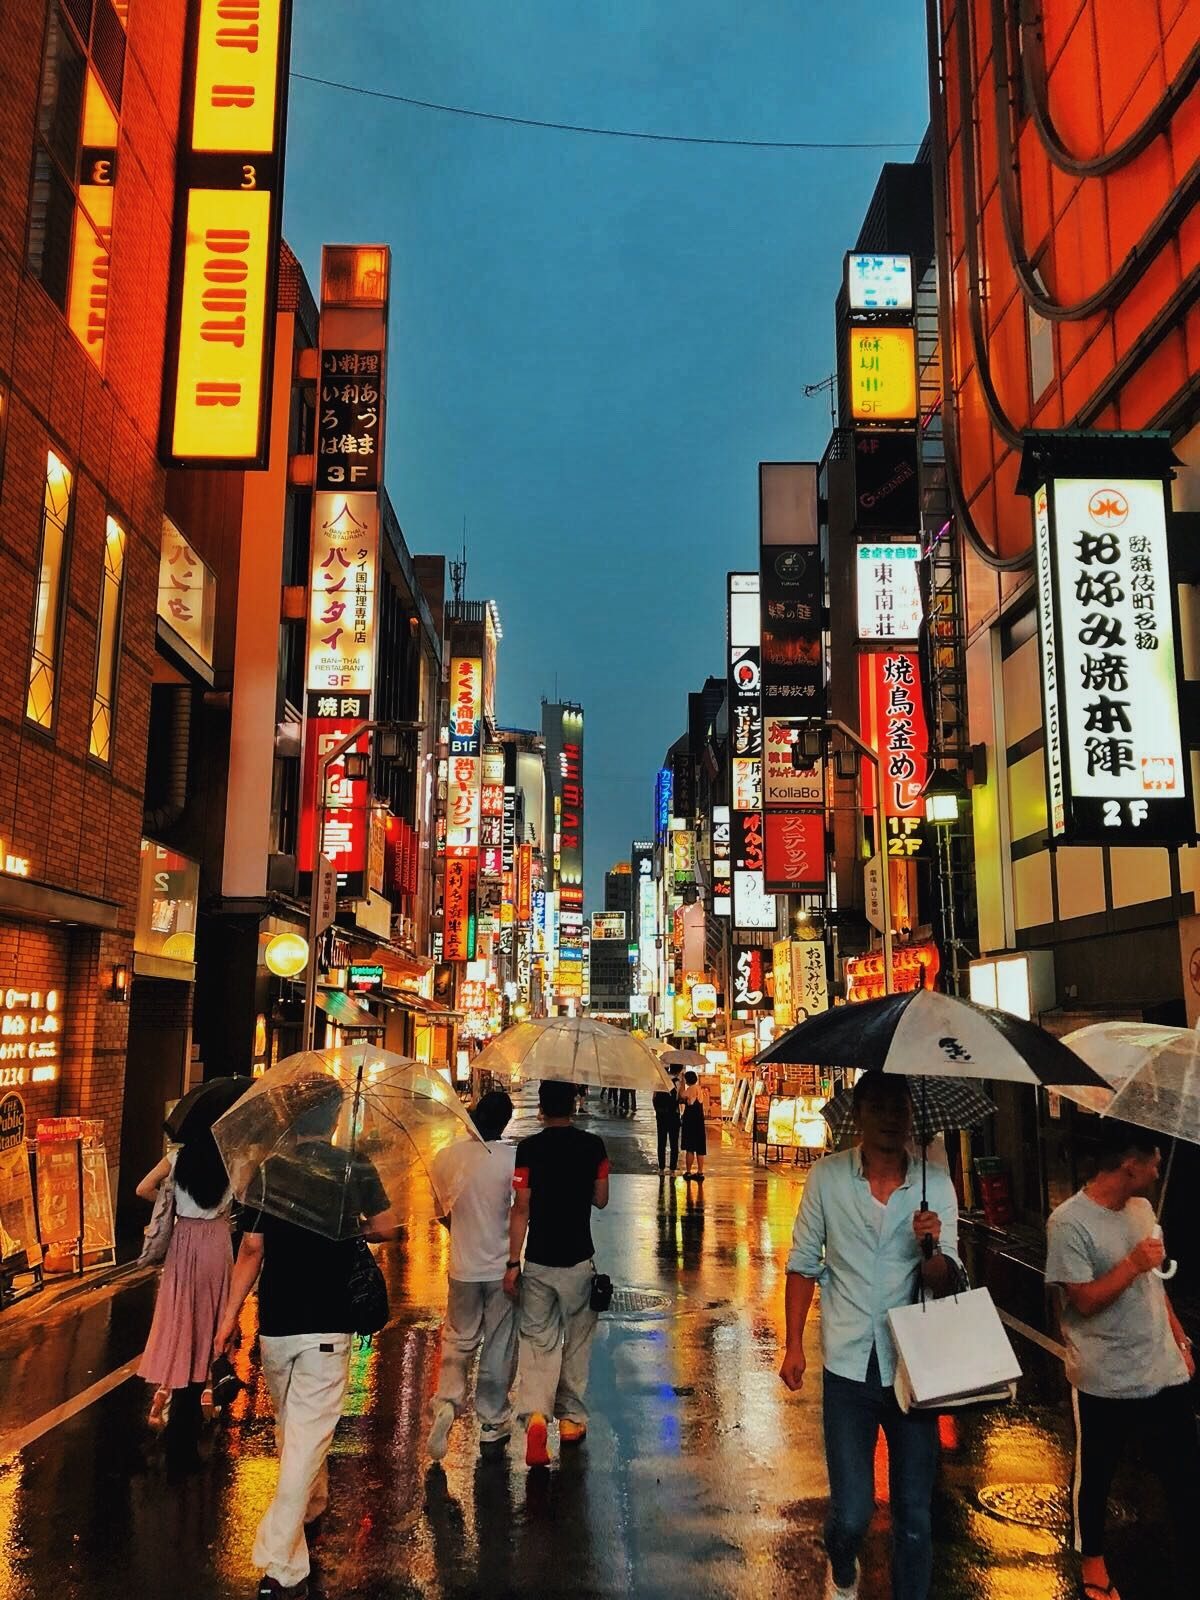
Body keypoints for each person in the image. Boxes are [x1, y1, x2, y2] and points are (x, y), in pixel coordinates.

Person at [214, 1080, 400, 1600]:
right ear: (336, 1117)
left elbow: (251, 1248)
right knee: (305, 1438)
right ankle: (281, 1562)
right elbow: (389, 1228)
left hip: (275, 1326)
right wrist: (352, 1226)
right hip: (327, 1325)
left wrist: (229, 1318)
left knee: (293, 1429)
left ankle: (312, 1507)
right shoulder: (352, 1167)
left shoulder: (271, 1170)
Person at [779, 1072, 960, 1600]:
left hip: (913, 1369)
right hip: (848, 1366)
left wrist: (932, 1249)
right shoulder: (828, 1179)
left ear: (911, 1116)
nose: (889, 1118)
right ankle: (840, 1562)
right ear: (857, 1114)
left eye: (898, 1107)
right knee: (854, 1512)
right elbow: (802, 1263)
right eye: (877, 1107)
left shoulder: (936, 1186)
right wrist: (793, 1344)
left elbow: (947, 1281)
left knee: (914, 1515)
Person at [1045, 1120, 1198, 1600]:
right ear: (1131, 1163)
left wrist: (1180, 1339)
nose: (1158, 1168)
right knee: (1097, 1474)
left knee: (1186, 1473)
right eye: (1153, 1158)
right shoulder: (1068, 1222)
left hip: (1162, 1367)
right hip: (1104, 1376)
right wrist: (1132, 1263)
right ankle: (1093, 1561)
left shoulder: (1143, 1208)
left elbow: (1155, 1286)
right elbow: (1083, 1300)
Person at [505, 1078, 610, 1467]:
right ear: (576, 1104)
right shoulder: (593, 1147)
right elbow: (601, 1200)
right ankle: (570, 1420)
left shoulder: (528, 1150)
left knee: (538, 1341)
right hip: (580, 1260)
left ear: (542, 1109)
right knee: (577, 1343)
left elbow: (521, 1208)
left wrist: (513, 1262)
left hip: (539, 1261)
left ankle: (535, 1416)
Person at [426, 1091, 518, 1462]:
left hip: (462, 1267)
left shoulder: (446, 1158)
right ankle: (492, 1419)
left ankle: (446, 1402)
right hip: (501, 1267)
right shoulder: (511, 1159)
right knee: (498, 1342)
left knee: (458, 1339)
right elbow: (521, 1211)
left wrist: (459, 1231)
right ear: (506, 1122)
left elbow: (439, 1211)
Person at [136, 1109, 233, 1433]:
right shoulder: (232, 1159)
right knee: (213, 1314)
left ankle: (169, 1383)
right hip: (218, 1242)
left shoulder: (176, 1159)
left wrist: (167, 1202)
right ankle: (208, 1382)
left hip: (185, 1239)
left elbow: (143, 1188)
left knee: (181, 1313)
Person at [680, 1070, 707, 1182]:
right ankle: (700, 1172)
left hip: (690, 1121)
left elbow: (681, 1096)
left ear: (687, 1080)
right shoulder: (699, 1089)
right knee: (700, 1148)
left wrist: (681, 1083)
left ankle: (688, 1171)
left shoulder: (689, 1090)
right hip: (699, 1121)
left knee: (690, 1148)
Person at [652, 1068, 681, 1175]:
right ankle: (672, 1169)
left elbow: (654, 1098)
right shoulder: (677, 1082)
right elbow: (679, 1097)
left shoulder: (659, 1082)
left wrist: (658, 1111)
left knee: (661, 1142)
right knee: (674, 1143)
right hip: (673, 1115)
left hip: (661, 1116)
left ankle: (661, 1169)